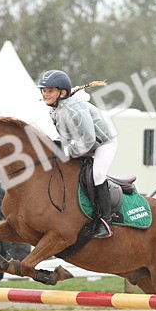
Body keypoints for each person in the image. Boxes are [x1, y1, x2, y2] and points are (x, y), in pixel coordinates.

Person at [37, 68, 118, 238]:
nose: (45, 94)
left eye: (49, 91)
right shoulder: (54, 108)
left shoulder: (75, 109)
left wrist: (67, 150)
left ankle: (106, 221)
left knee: (98, 175)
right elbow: (65, 135)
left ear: (63, 92)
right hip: (83, 144)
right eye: (44, 91)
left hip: (103, 143)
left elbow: (89, 139)